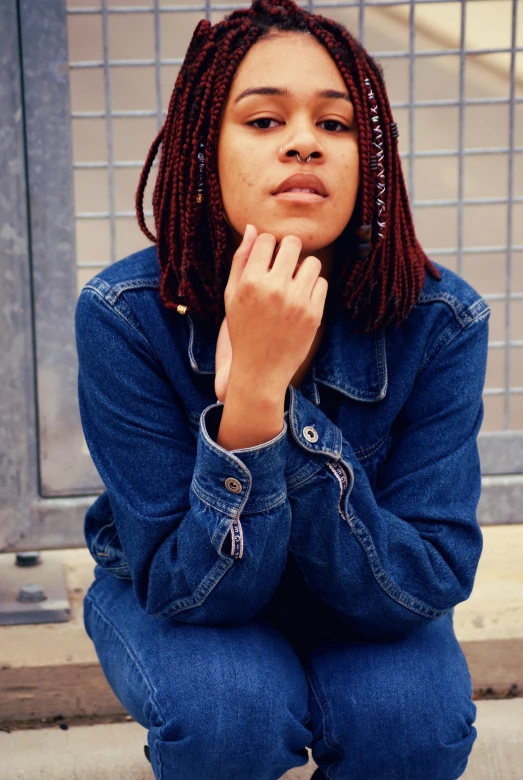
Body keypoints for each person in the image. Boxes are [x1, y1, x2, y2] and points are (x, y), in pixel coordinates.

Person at [75, 0, 490, 777]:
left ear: (369, 157)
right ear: (205, 148)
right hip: (190, 599)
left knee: (412, 723)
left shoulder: (441, 319)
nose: (304, 140)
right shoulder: (123, 317)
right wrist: (253, 407)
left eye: (334, 125)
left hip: (364, 598)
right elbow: (186, 593)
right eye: (263, 121)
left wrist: (278, 422)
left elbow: (423, 581)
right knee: (228, 714)